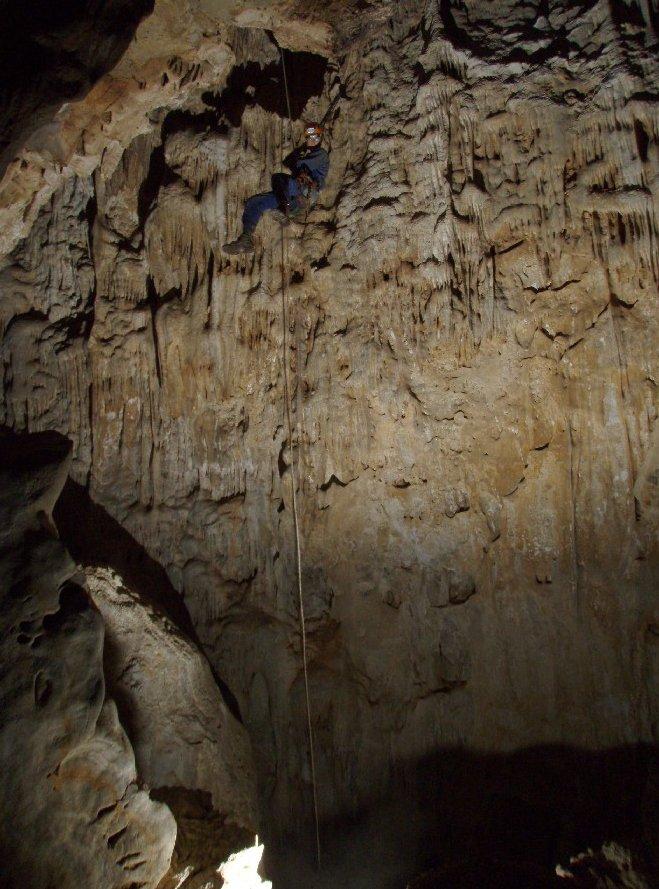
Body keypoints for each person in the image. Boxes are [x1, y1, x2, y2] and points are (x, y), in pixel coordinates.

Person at [223, 123, 330, 254]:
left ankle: (283, 210)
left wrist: (299, 153)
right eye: (309, 138)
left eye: (316, 138)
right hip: (289, 194)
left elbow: (299, 163)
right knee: (254, 203)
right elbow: (287, 162)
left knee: (278, 178)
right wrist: (299, 152)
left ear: (320, 139)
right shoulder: (306, 153)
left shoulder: (321, 154)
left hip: (305, 192)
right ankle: (245, 240)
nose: (312, 141)